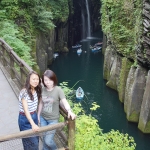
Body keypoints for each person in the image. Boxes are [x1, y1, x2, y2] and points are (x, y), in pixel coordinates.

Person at [38, 70, 76, 150]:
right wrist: (38, 115)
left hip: (53, 120)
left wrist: (69, 111)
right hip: (43, 118)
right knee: (45, 138)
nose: (48, 82)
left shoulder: (58, 90)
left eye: (50, 80)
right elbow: (41, 103)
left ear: (54, 79)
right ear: (43, 81)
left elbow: (64, 102)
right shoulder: (43, 89)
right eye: (46, 80)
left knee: (48, 141)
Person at [18, 71, 42, 150]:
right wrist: (33, 124)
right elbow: (26, 110)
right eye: (33, 79)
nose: (36, 81)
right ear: (29, 80)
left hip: (34, 116)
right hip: (25, 118)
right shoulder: (24, 92)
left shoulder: (36, 89)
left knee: (36, 141)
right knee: (31, 143)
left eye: (37, 79)